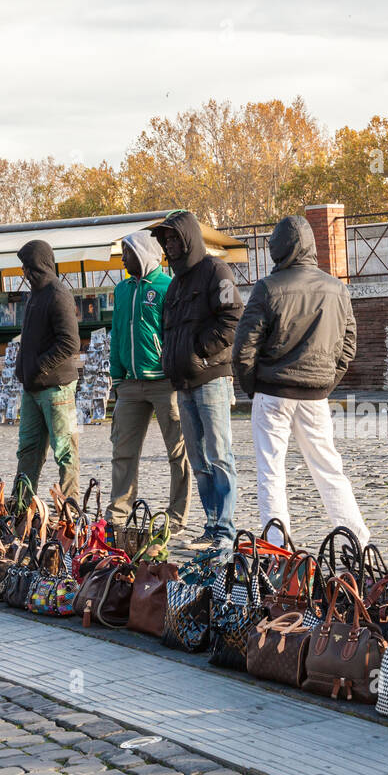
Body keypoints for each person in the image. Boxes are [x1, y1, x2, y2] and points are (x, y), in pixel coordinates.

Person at [234, 215, 369, 546]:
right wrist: (325, 383)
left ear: (277, 249)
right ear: (309, 246)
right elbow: (348, 345)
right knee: (329, 470)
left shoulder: (268, 288)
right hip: (315, 395)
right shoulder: (336, 289)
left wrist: (256, 387)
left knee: (271, 471)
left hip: (273, 392)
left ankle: (277, 546)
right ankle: (357, 540)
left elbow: (243, 349)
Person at [153, 210, 243, 551]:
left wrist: (200, 352)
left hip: (211, 378)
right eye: (167, 240)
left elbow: (232, 317)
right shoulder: (174, 283)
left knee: (219, 454)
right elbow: (168, 328)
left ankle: (225, 530)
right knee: (198, 459)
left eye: (175, 238)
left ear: (189, 237)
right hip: (183, 383)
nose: (171, 245)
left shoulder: (215, 271)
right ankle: (211, 525)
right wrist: (171, 359)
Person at [108, 230, 191, 533]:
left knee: (177, 451)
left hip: (164, 383)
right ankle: (118, 513)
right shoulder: (122, 290)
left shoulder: (168, 287)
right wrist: (117, 376)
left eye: (127, 252)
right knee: (122, 450)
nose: (123, 258)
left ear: (142, 253)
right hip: (129, 385)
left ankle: (177, 514)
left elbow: (176, 335)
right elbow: (117, 333)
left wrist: (174, 372)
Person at [14, 239, 80, 501]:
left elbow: (70, 343)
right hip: (32, 387)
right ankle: (21, 504)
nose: (24, 273)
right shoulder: (36, 294)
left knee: (64, 450)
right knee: (28, 449)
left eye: (26, 267)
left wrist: (39, 366)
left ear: (38, 266)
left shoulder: (57, 293)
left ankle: (70, 507)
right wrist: (24, 370)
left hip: (56, 387)